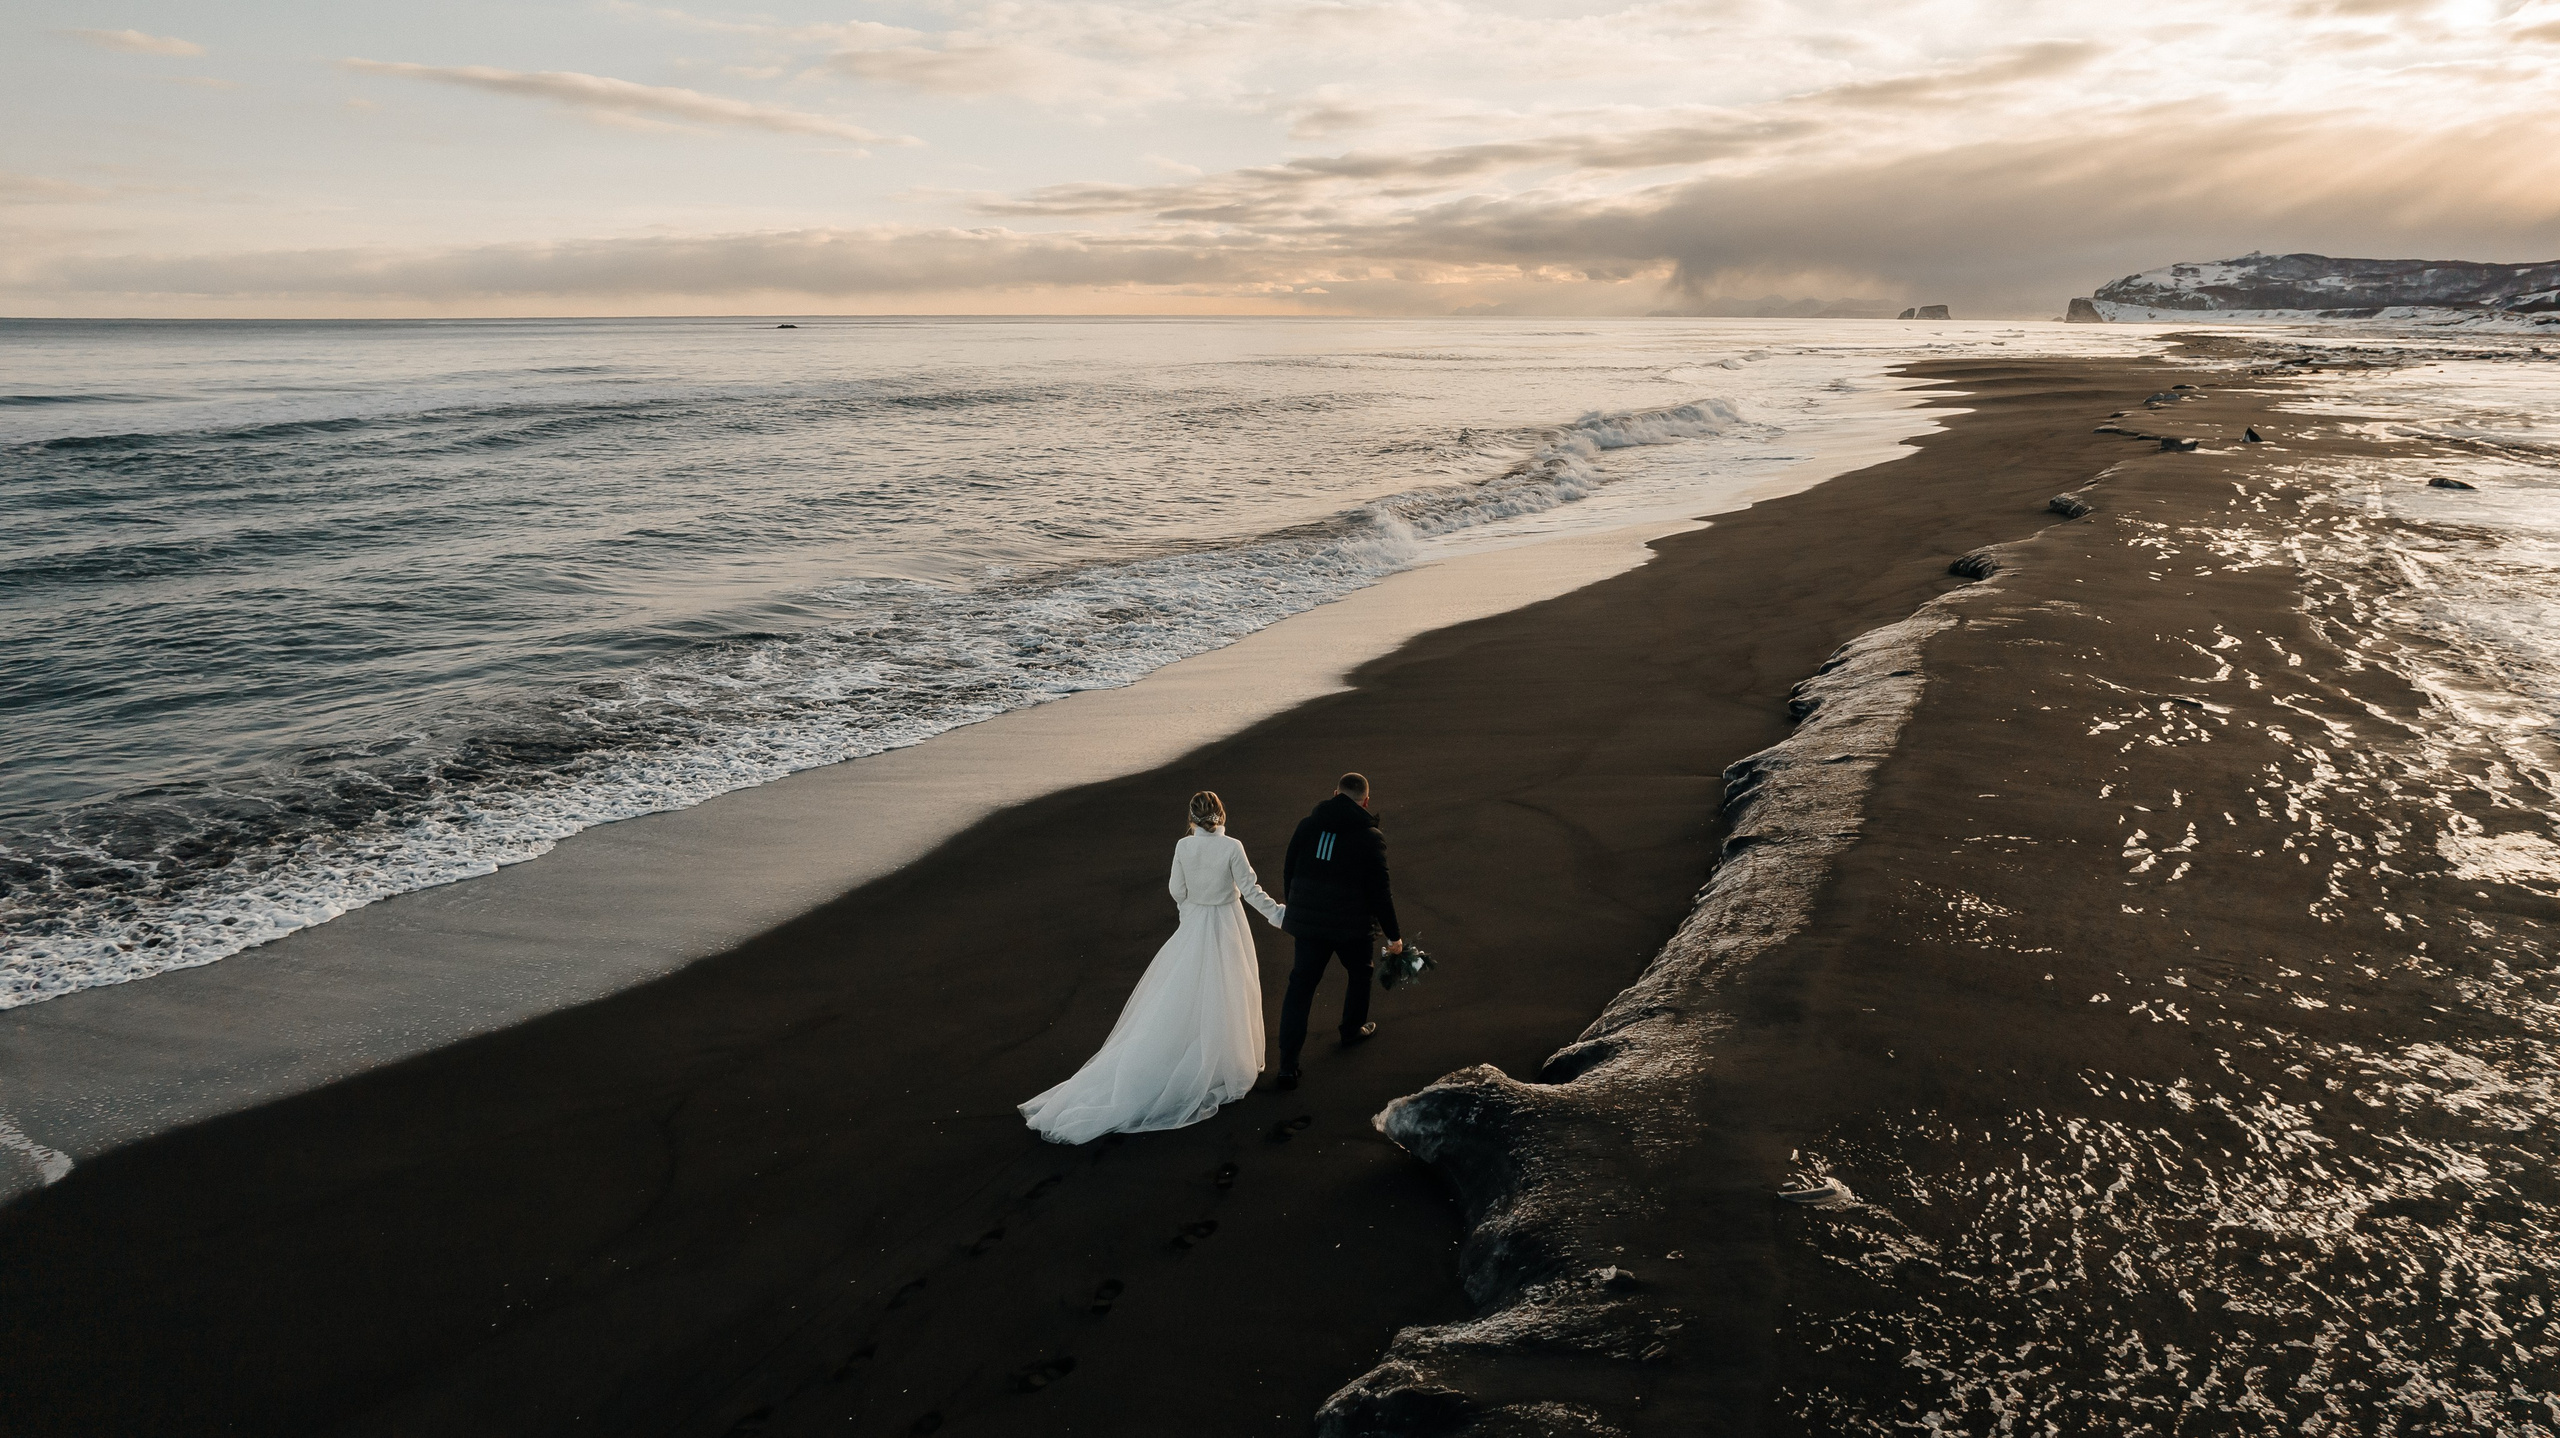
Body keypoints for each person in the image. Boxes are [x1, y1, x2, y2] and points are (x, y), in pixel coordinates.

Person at [1019, 790, 1287, 1144]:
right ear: (1222, 814)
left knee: (1185, 992)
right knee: (1229, 990)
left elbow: (1177, 889)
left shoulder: (1183, 846)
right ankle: (1225, 1062)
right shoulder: (1232, 846)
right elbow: (1251, 890)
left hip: (1194, 925)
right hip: (1227, 925)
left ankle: (1194, 1056)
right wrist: (1280, 915)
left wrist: (1190, 909)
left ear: (1191, 817)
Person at [1274, 772, 1401, 1090]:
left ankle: (1287, 1066)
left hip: (1310, 926)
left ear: (1334, 794)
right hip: (1350, 927)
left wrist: (1299, 909)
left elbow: (1289, 870)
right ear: (1366, 801)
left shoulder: (1307, 825)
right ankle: (1351, 1029)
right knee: (1360, 972)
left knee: (1300, 988)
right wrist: (1394, 936)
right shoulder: (1371, 837)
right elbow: (1380, 893)